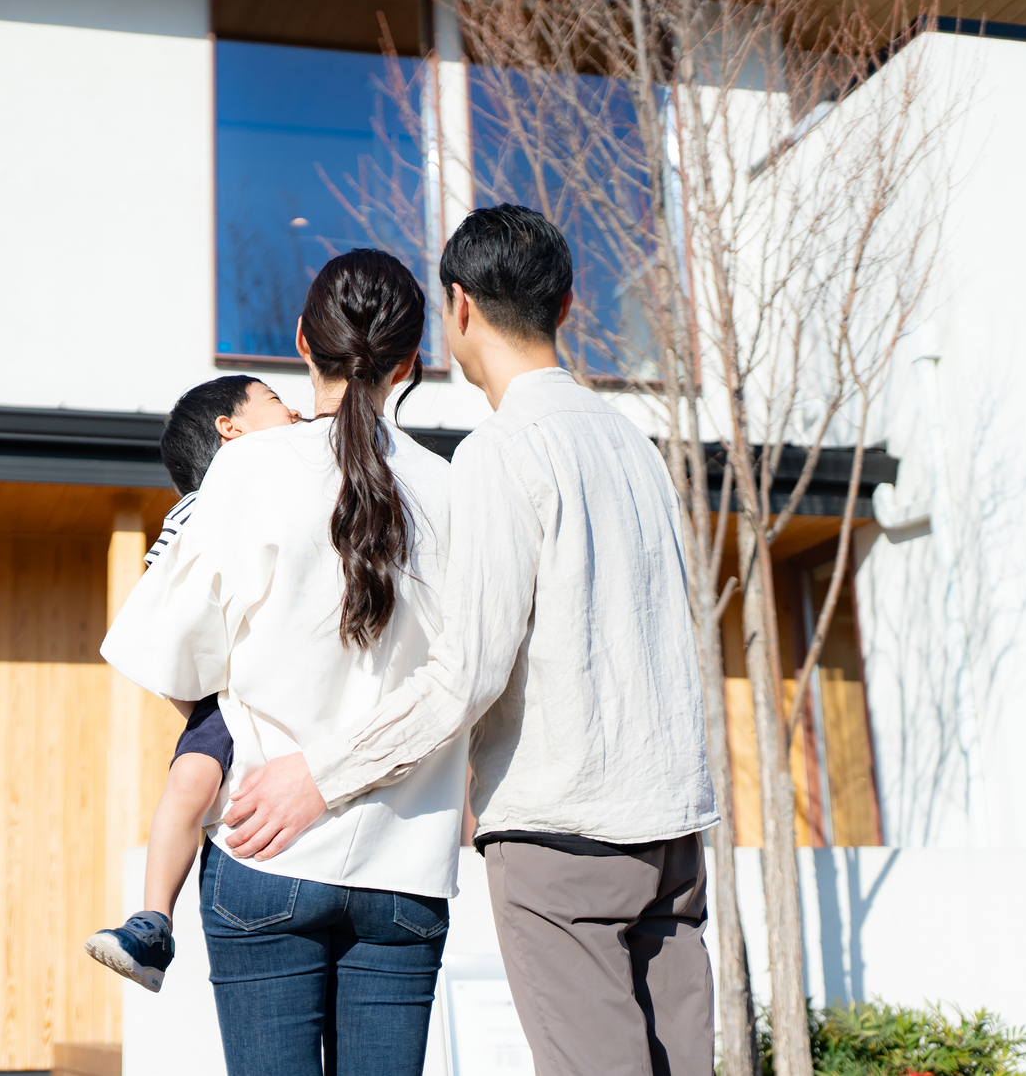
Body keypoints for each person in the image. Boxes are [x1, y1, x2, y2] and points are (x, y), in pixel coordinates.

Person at [223, 205, 720, 1076]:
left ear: (457, 309)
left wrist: (318, 776)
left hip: (564, 837)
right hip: (672, 833)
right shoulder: (637, 445)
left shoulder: (501, 450)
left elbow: (464, 677)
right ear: (566, 308)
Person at [101, 249, 464, 1076]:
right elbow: (467, 681)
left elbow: (172, 658)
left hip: (265, 850)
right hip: (406, 868)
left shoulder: (245, 470)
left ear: (303, 341)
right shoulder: (450, 489)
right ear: (410, 362)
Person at [85, 374, 300, 990]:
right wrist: (201, 705)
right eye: (273, 401)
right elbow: (160, 616)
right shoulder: (208, 505)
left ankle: (153, 922)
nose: (291, 409)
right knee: (190, 783)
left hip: (260, 681)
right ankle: (153, 922)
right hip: (223, 688)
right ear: (230, 430)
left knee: (194, 785)